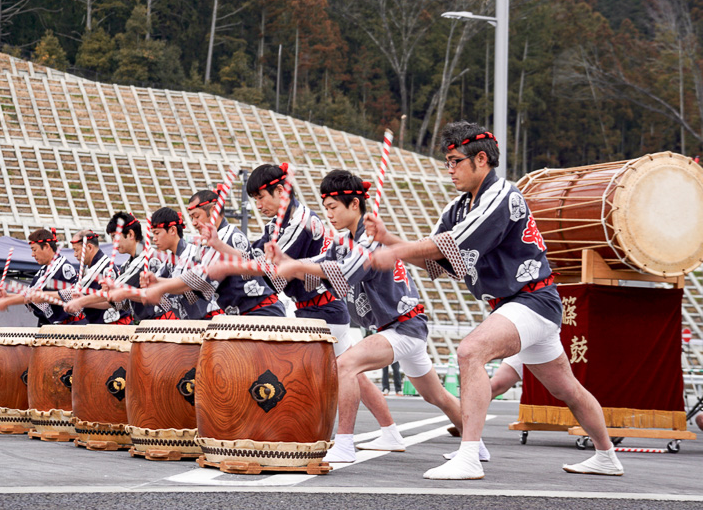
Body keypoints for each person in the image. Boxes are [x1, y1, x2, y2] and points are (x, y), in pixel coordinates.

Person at [367, 121, 623, 479]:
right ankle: (607, 455)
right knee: (567, 389)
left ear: (481, 159)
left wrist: (394, 252)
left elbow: (450, 245)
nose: (450, 169)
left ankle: (470, 455)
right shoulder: (457, 209)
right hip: (516, 306)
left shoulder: (503, 196)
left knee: (471, 350)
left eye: (455, 160)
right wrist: (390, 239)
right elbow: (437, 261)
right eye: (448, 162)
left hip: (533, 300)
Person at [272, 169, 472, 463]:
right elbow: (318, 263)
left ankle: (344, 443)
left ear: (354, 204)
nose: (329, 214)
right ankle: (474, 441)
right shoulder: (345, 241)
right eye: (326, 208)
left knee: (346, 365)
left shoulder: (370, 239)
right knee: (435, 395)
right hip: (397, 327)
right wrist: (289, 263)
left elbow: (345, 273)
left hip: (403, 326)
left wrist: (292, 267)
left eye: (333, 207)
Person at [205, 163, 406, 452]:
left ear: (279, 191)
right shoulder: (278, 224)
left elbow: (268, 267)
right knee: (353, 373)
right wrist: (222, 248)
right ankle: (389, 430)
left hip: (322, 308)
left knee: (311, 373)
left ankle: (306, 434)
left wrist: (227, 265)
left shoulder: (299, 223)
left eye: (261, 197)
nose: (258, 205)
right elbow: (254, 257)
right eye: (254, 200)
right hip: (313, 307)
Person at [142, 189, 286, 317]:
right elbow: (192, 284)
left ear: (213, 211)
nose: (193, 222)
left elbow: (197, 280)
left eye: (196, 216)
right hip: (240, 316)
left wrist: (159, 285)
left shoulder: (232, 237)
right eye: (191, 217)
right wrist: (158, 283)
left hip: (262, 313)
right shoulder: (203, 246)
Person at [110, 207, 217, 320]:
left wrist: (125, 292)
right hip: (191, 323)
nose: (154, 239)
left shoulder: (194, 254)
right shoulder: (169, 262)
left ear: (172, 230)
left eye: (157, 233)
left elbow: (181, 286)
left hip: (210, 320)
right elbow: (155, 295)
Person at [67, 213, 160, 324]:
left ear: (130, 234)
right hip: (148, 323)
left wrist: (81, 301)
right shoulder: (128, 264)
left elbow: (113, 292)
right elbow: (117, 302)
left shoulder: (145, 259)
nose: (114, 244)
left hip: (162, 322)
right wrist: (85, 302)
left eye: (115, 237)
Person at [0, 228, 86, 326]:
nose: (33, 254)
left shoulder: (61, 268)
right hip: (55, 326)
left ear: (46, 246)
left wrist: (6, 301)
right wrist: (7, 296)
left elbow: (32, 297)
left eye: (34, 250)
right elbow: (29, 295)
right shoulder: (44, 270)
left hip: (71, 326)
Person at [62, 229, 131, 324]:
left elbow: (115, 302)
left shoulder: (105, 268)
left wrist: (44, 296)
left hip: (115, 325)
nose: (74, 254)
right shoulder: (91, 267)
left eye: (76, 250)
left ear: (89, 247)